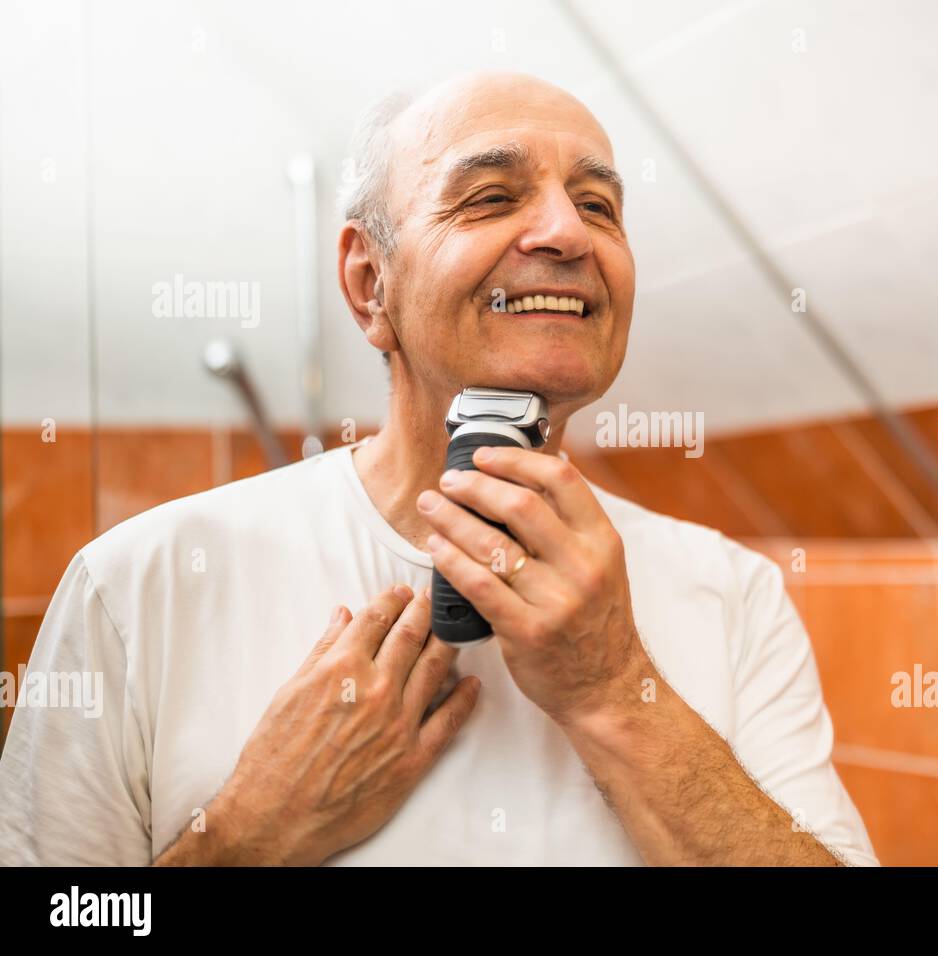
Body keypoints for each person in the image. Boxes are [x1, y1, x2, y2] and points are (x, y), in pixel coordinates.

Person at [0, 71, 878, 866]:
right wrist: (244, 839)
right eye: (492, 196)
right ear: (368, 282)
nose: (568, 231)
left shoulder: (736, 595)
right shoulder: (138, 587)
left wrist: (615, 693)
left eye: (600, 206)